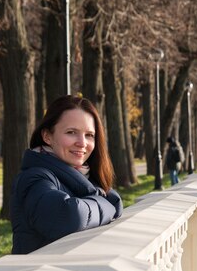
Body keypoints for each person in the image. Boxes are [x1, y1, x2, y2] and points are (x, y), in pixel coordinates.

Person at [11, 95, 123, 254]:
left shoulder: (87, 178)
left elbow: (113, 201)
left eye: (89, 135)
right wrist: (104, 202)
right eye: (71, 132)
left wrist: (105, 201)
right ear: (47, 136)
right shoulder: (34, 177)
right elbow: (69, 216)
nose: (82, 143)